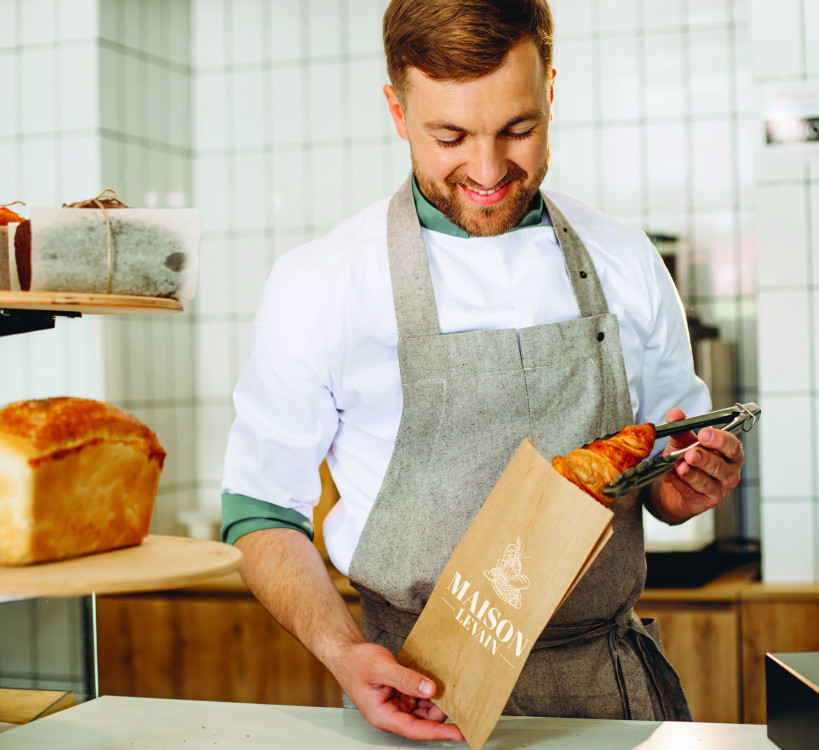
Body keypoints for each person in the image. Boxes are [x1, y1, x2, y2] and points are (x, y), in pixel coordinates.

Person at [220, 0, 744, 742]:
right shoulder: (321, 283)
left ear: (551, 92)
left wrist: (689, 486)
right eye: (451, 136)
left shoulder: (625, 260)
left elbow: (664, 472)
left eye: (518, 129)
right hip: (417, 700)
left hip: (605, 693)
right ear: (397, 111)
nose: (490, 171)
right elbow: (261, 514)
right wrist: (343, 653)